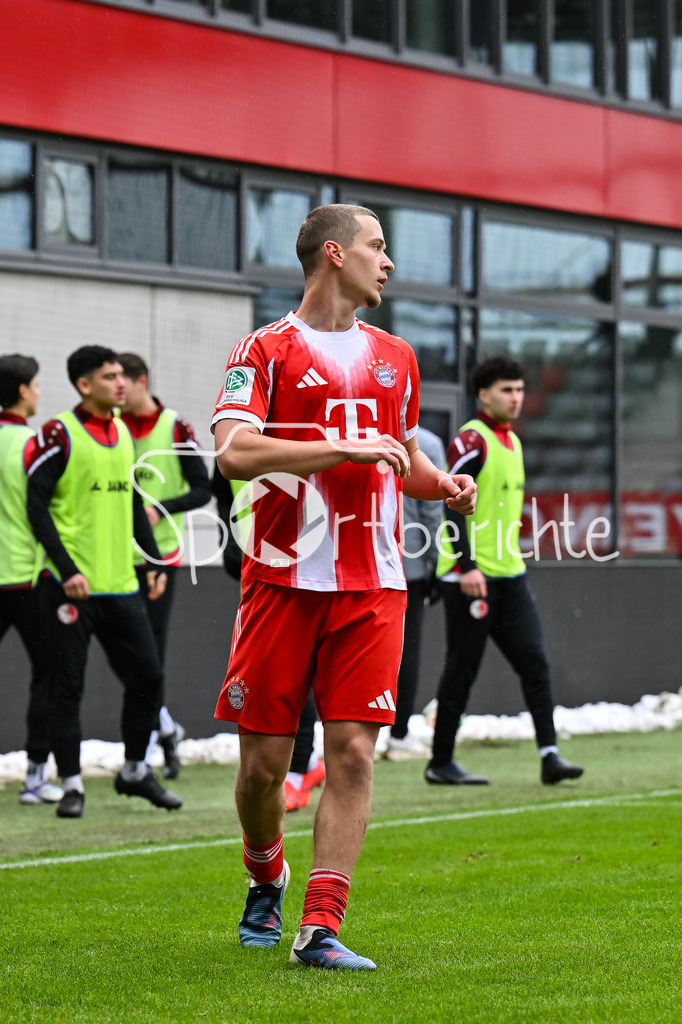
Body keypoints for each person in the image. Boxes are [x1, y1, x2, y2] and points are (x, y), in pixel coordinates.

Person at [211, 203, 476, 970]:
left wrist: (442, 484)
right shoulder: (264, 348)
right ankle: (266, 874)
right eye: (377, 246)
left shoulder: (397, 355)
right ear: (334, 253)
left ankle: (320, 927)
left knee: (354, 754)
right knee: (262, 770)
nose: (388, 262)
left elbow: (400, 458)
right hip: (282, 579)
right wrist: (339, 447)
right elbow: (232, 452)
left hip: (374, 583)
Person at [26, 345, 182, 818]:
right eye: (110, 376)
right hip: (69, 587)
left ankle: (134, 770)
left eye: (121, 375)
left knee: (148, 677)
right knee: (66, 687)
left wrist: (153, 563)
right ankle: (72, 786)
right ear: (84, 385)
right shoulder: (59, 432)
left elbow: (133, 505)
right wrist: (67, 569)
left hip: (121, 585)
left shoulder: (122, 432)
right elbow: (36, 507)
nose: (121, 383)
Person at [426, 353, 584, 787]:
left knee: (535, 662)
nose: (515, 398)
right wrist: (467, 566)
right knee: (462, 669)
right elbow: (452, 504)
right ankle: (440, 762)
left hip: (510, 575)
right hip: (470, 578)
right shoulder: (471, 440)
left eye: (519, 390)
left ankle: (550, 756)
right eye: (506, 390)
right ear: (483, 394)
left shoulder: (512, 441)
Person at [119, 352, 212, 779]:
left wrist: (161, 509)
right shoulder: (111, 427)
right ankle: (166, 727)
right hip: (112, 558)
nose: (117, 391)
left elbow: (202, 489)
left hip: (159, 559)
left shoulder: (176, 427)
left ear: (142, 381)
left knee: (149, 656)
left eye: (123, 382)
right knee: (128, 658)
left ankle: (149, 748)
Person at [211, 468, 325, 812]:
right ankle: (307, 762)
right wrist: (232, 545)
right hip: (257, 571)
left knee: (296, 670)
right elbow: (225, 499)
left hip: (299, 568)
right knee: (271, 673)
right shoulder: (232, 449)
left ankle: (299, 770)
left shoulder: (295, 444)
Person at [0, 355, 62, 806]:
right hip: (27, 579)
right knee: (48, 675)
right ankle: (36, 777)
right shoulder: (35, 444)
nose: (39, 392)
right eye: (36, 385)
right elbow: (51, 510)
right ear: (22, 391)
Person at [383, 424, 446, 760]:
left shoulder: (360, 433)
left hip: (362, 562)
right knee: (406, 650)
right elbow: (432, 513)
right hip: (409, 566)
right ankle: (399, 734)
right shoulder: (428, 443)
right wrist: (436, 564)